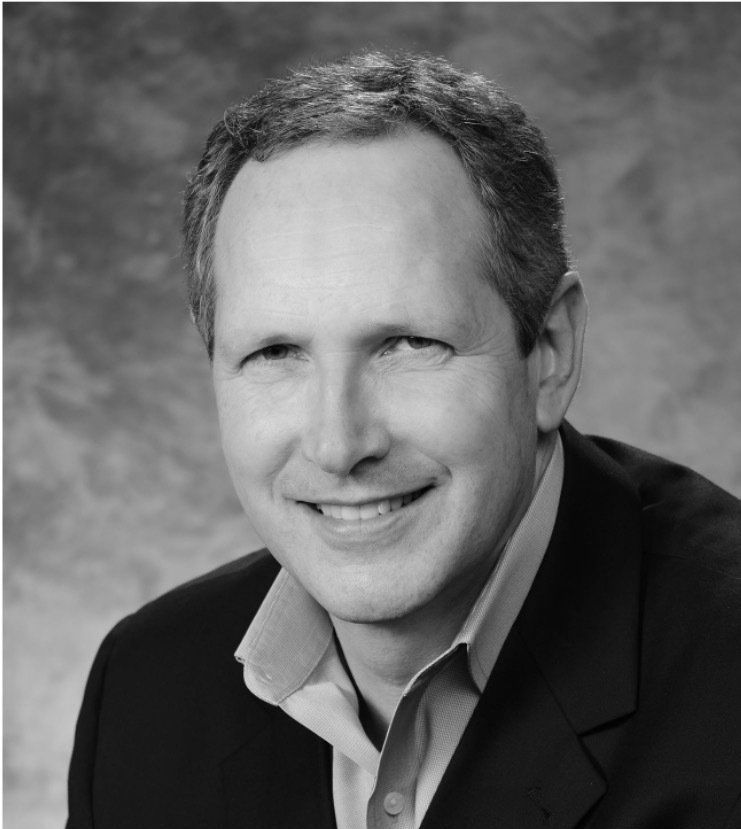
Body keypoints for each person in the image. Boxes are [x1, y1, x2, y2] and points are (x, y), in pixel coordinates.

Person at [66, 51, 741, 829]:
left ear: (549, 351)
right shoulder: (145, 693)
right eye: (275, 352)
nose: (338, 443)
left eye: (409, 344)